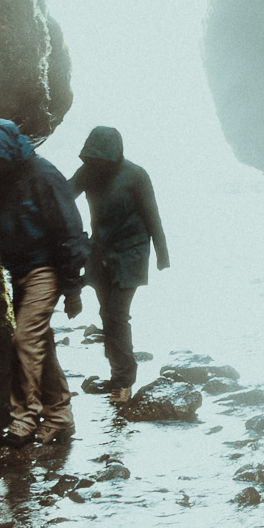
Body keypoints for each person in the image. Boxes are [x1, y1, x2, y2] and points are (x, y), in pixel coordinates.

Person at [0, 118, 89, 447]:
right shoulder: (7, 176)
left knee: (23, 340)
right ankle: (60, 417)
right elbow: (1, 209)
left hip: (43, 271)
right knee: (39, 346)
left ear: (8, 149)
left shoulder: (45, 176)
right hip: (18, 270)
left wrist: (73, 290)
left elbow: (70, 231)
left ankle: (24, 419)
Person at [71, 125, 169, 395]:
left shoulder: (136, 175)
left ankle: (124, 381)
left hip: (131, 254)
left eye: (102, 156)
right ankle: (117, 375)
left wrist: (162, 255)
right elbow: (64, 195)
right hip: (100, 251)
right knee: (106, 314)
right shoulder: (88, 173)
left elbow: (152, 215)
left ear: (114, 153)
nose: (97, 161)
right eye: (93, 156)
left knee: (116, 315)